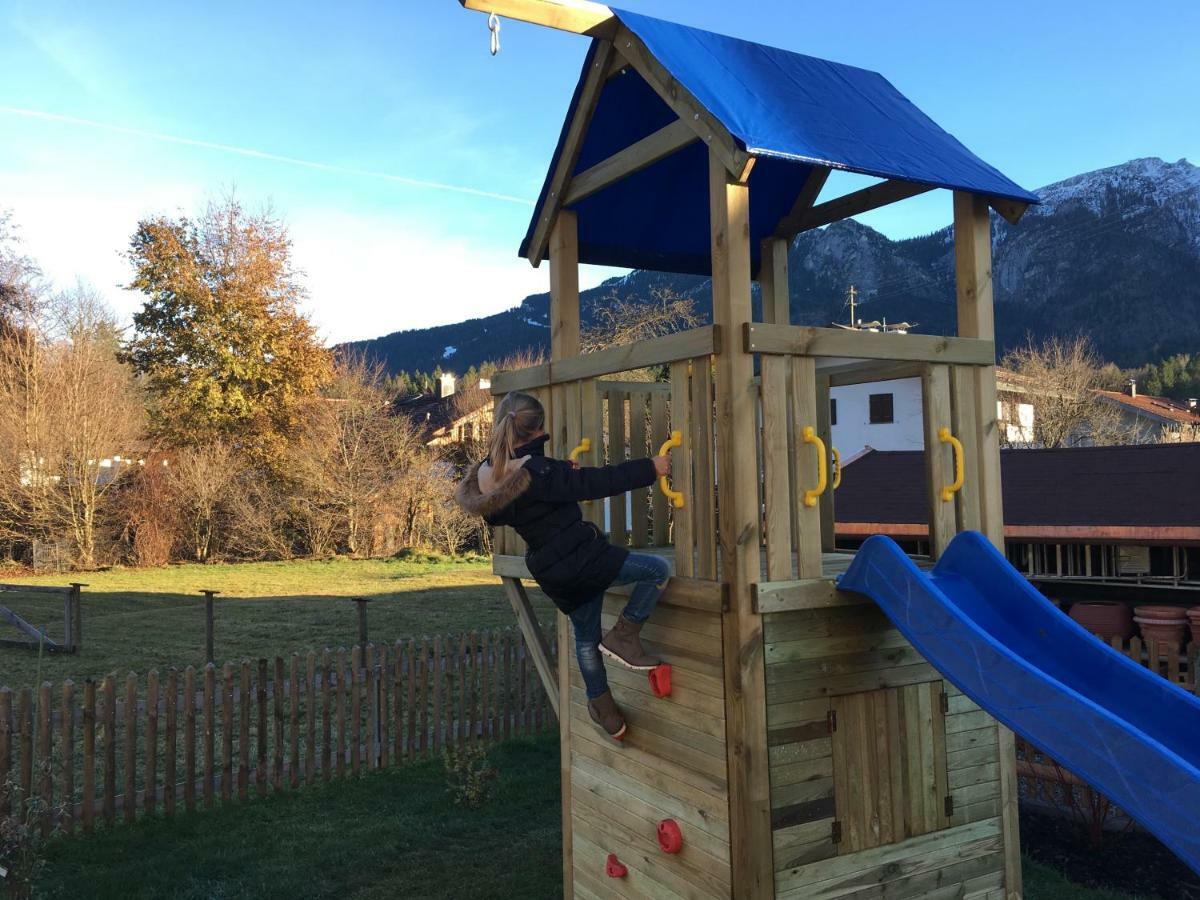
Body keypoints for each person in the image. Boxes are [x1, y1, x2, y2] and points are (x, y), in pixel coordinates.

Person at [454, 390, 672, 742]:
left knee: (586, 638)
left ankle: (603, 708)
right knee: (657, 570)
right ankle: (624, 636)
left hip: (550, 568)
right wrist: (651, 467)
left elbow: (520, 504)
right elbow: (599, 482)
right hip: (582, 557)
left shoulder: (488, 474)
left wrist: (559, 474)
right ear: (539, 429)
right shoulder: (541, 472)